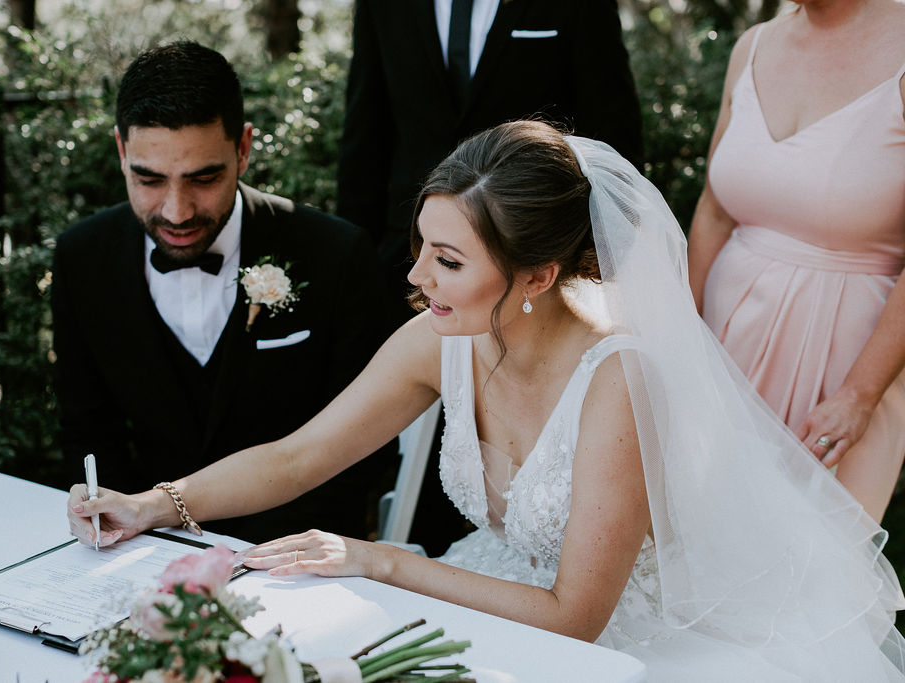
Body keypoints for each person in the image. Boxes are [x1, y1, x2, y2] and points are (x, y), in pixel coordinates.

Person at [68, 121, 905, 680]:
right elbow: (300, 454)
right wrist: (156, 504)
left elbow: (576, 615)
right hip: (494, 589)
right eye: (422, 247)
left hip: (635, 641)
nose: (416, 276)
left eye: (449, 261)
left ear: (537, 276)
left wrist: (378, 556)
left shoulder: (620, 378)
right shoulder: (442, 337)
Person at [51, 41, 399, 544]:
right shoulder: (82, 257)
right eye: (148, 178)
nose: (176, 211)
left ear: (243, 148)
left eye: (204, 178)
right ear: (122, 151)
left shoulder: (335, 254)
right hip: (139, 550)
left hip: (294, 555)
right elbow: (86, 431)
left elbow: (366, 448)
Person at [337, 0, 645, 553]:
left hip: (524, 258)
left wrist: (598, 271)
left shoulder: (618, 377)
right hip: (437, 268)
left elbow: (613, 123)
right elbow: (366, 130)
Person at [687, 0, 905, 522]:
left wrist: (859, 395)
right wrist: (679, 340)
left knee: (810, 566)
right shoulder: (753, 46)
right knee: (698, 539)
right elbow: (715, 211)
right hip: (722, 348)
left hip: (847, 366)